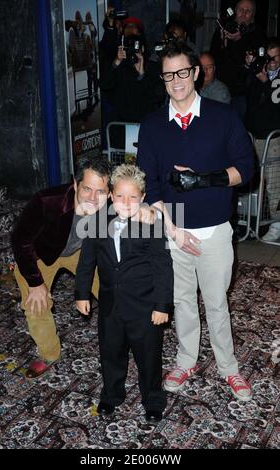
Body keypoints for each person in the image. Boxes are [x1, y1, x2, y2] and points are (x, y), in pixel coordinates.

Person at [137, 42, 254, 402]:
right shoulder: (154, 125)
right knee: (183, 301)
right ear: (163, 78)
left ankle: (229, 368)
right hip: (174, 227)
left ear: (196, 72)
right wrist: (172, 229)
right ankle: (186, 359)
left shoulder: (224, 115)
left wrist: (204, 179)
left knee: (217, 302)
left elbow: (247, 170)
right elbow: (148, 182)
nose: (176, 81)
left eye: (183, 72)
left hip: (215, 227)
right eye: (169, 74)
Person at [75, 164, 173, 423]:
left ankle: (153, 398)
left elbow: (162, 266)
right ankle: (111, 395)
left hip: (144, 305)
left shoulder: (150, 221)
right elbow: (87, 260)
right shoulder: (96, 221)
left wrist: (162, 305)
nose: (126, 202)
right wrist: (82, 293)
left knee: (148, 355)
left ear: (142, 198)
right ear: (110, 195)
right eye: (120, 195)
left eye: (133, 197)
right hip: (110, 304)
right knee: (110, 352)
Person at [11, 157, 111, 378]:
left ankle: (130, 336)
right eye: (87, 189)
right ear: (75, 185)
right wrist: (35, 283)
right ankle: (49, 353)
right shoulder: (47, 201)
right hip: (41, 254)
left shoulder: (111, 206)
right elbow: (20, 240)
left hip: (81, 252)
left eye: (101, 191)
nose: (93, 198)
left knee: (115, 288)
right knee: (36, 302)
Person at [244, 37, 280, 241]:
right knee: (252, 180)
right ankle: (251, 221)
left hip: (273, 137)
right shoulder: (258, 71)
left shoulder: (273, 77)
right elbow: (241, 89)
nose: (271, 62)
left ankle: (277, 223)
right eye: (269, 57)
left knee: (274, 183)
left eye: (275, 58)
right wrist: (250, 67)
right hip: (253, 134)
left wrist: (266, 81)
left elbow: (276, 103)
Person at [210, 0, 266, 117]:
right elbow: (213, 57)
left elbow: (253, 63)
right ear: (235, 12)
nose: (244, 13)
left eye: (248, 11)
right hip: (220, 89)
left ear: (253, 15)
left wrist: (239, 41)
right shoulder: (224, 29)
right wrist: (223, 42)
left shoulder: (258, 35)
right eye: (241, 9)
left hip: (243, 92)